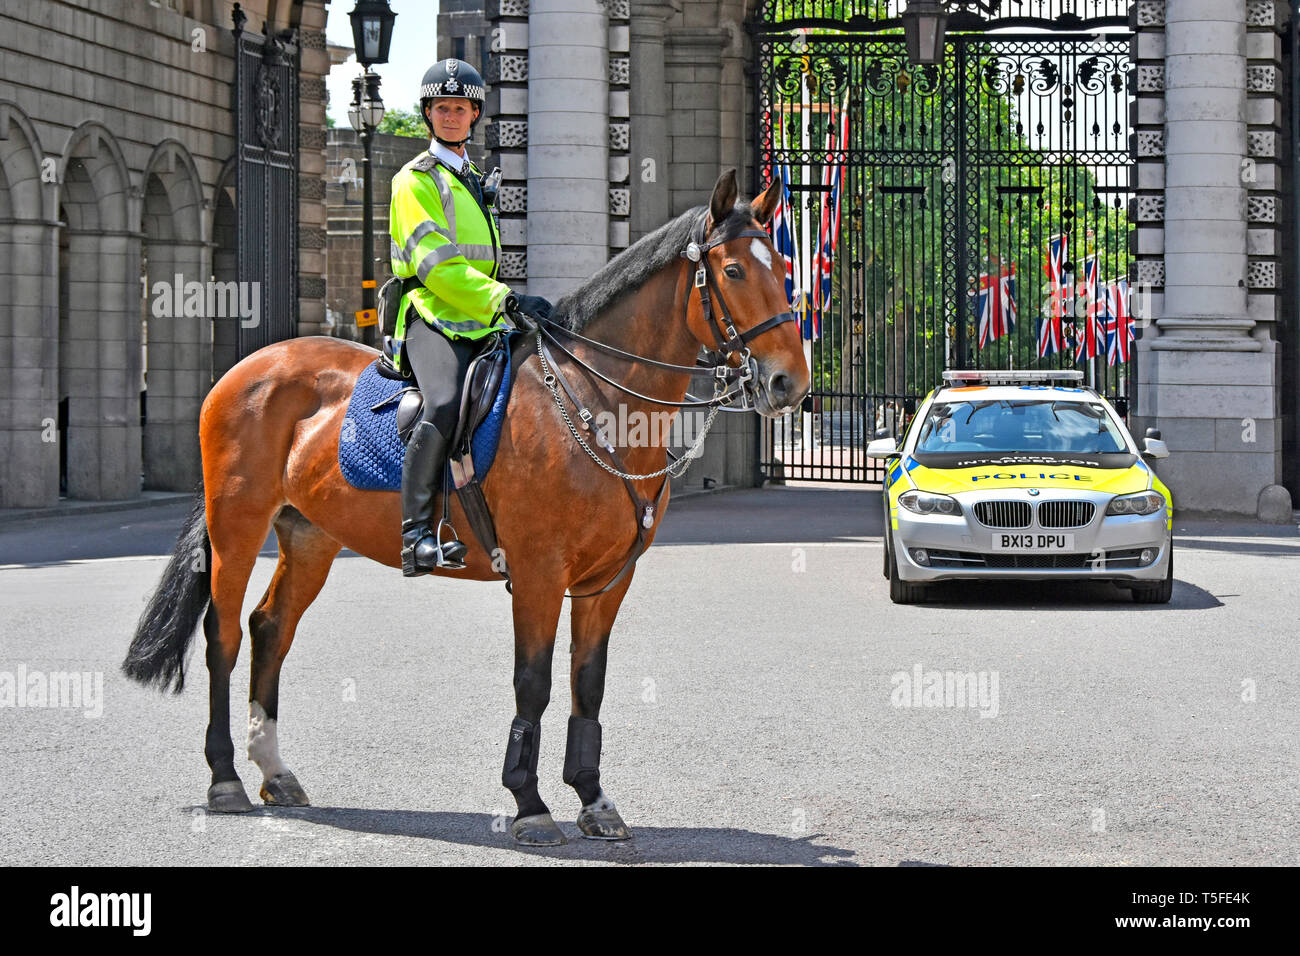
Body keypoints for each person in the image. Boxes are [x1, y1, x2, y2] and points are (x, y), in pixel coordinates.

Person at [388, 58, 552, 576]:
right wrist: (502, 299)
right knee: (440, 403)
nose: (452, 115)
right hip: (431, 315)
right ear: (428, 115)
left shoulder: (471, 178)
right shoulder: (413, 181)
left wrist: (507, 308)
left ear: (475, 114)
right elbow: (437, 266)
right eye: (443, 108)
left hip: (483, 319)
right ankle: (415, 535)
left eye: (461, 108)